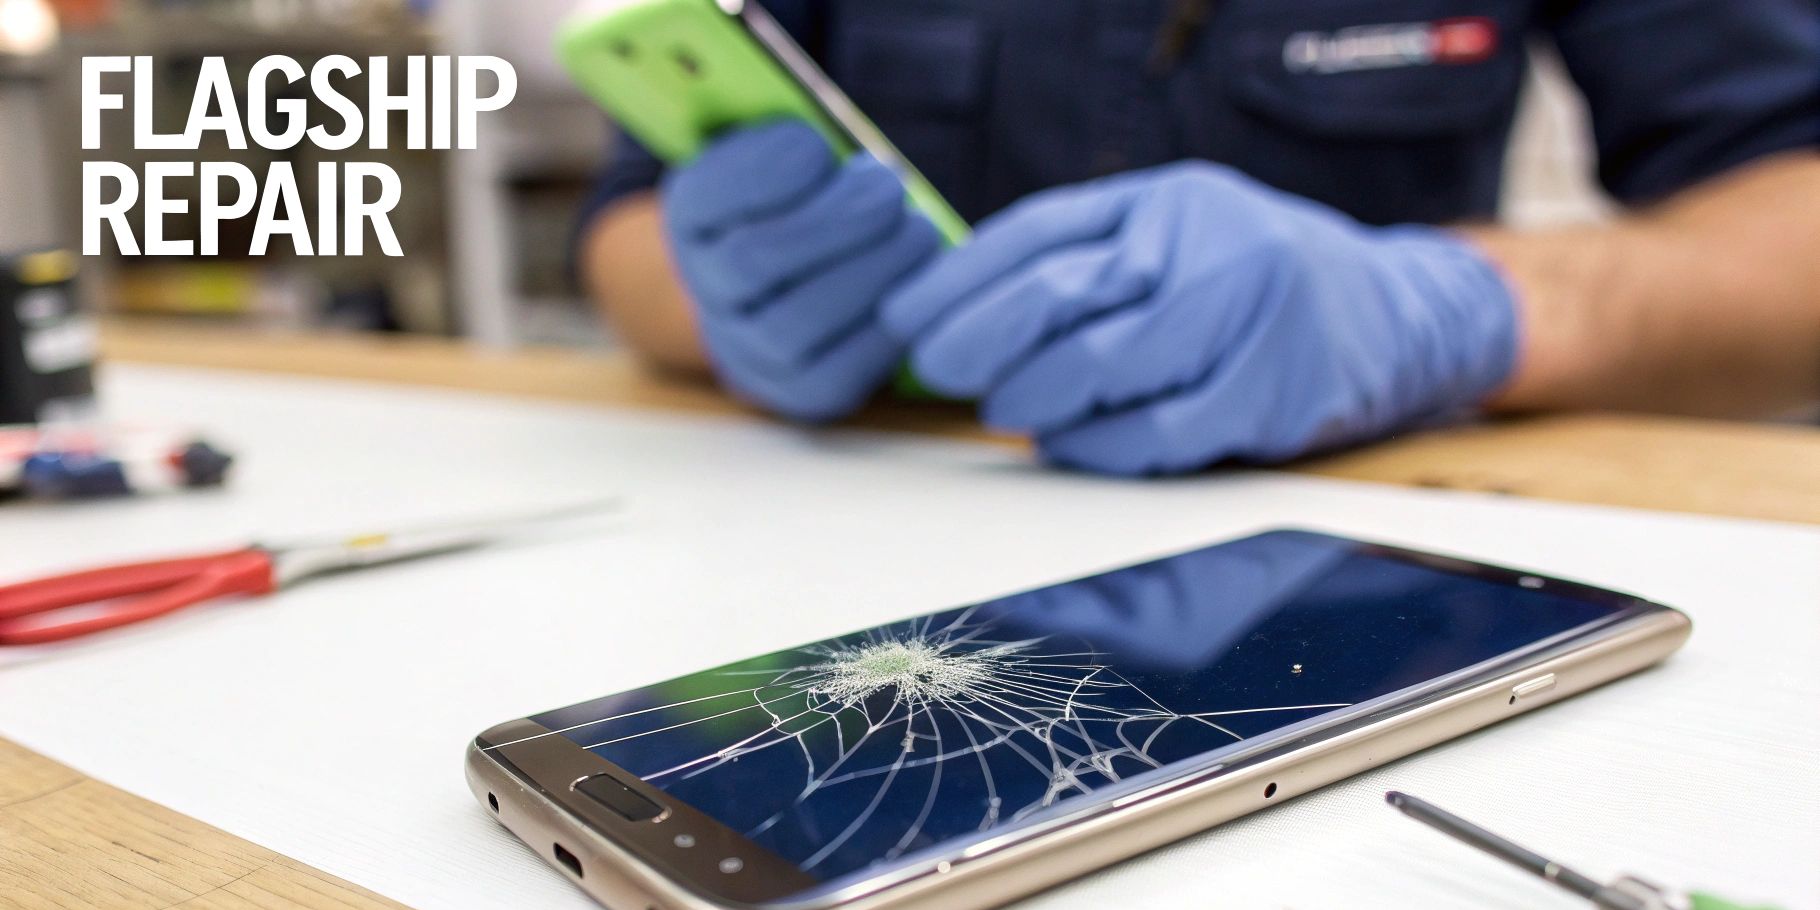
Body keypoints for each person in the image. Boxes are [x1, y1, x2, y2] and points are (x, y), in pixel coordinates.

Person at [577, 0, 1820, 476]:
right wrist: (725, 294)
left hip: (1377, 542)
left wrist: (1453, 309)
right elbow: (627, 218)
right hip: (866, 517)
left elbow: (1792, 213)